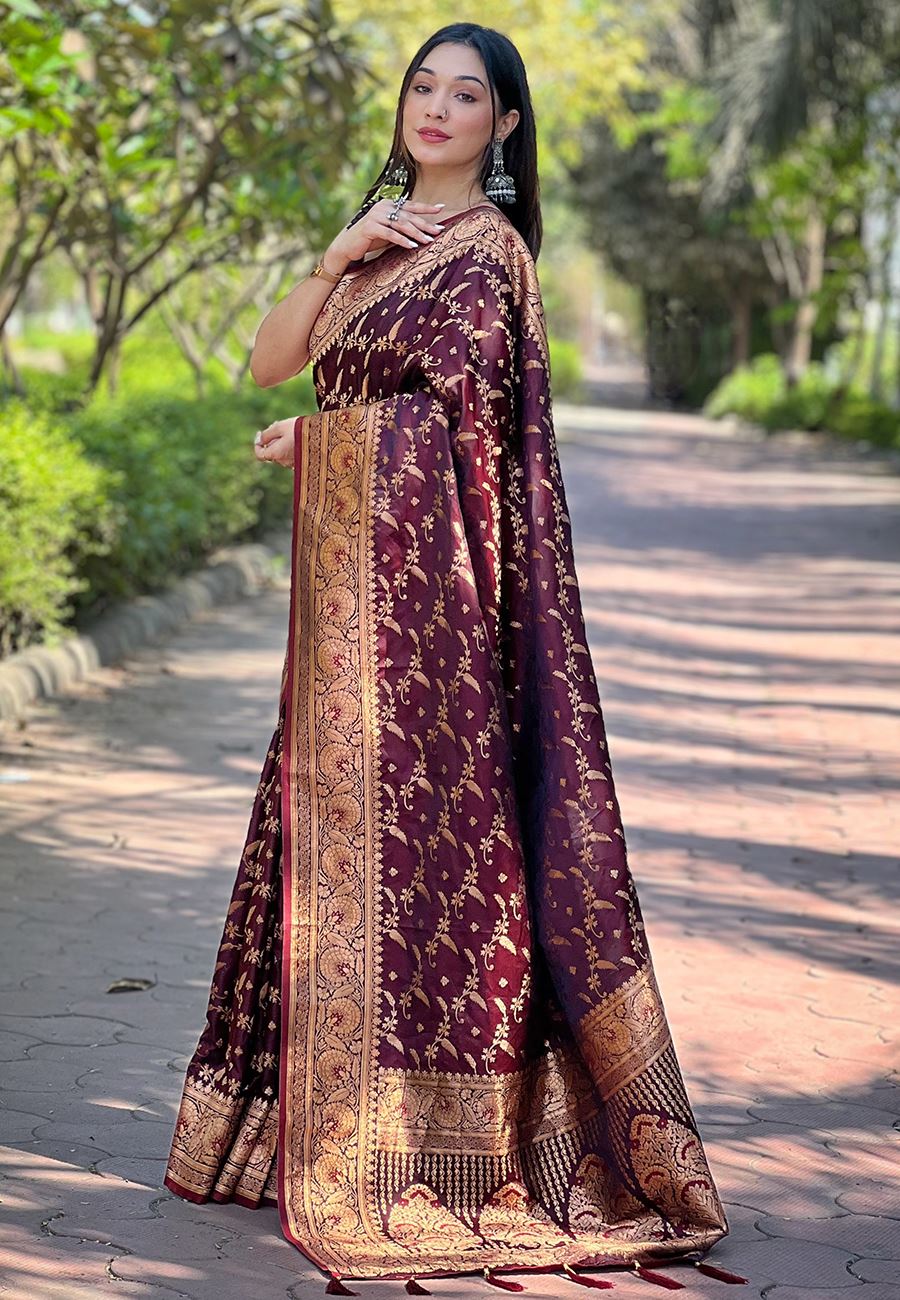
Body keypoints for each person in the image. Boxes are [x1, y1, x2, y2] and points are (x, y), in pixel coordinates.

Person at [163, 22, 743, 1293]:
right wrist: (335, 256)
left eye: (465, 93)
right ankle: (300, 1128)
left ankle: (439, 1155)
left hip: (433, 629)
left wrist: (323, 447)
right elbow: (270, 361)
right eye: (421, 86)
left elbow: (451, 436)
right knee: (318, 848)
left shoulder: (490, 259)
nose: (435, 107)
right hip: (342, 621)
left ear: (505, 123)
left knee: (440, 872)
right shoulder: (380, 240)